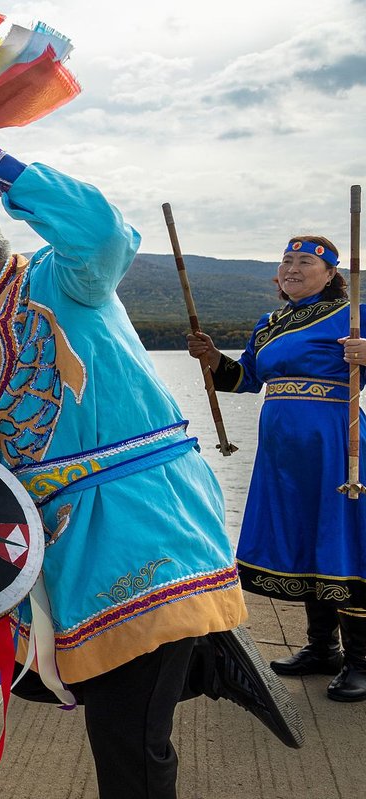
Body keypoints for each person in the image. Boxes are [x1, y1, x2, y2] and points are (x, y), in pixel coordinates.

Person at [0, 135, 302, 798]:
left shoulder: (64, 280)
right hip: (61, 548)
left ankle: (196, 652)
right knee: (78, 685)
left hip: (139, 521)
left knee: (127, 737)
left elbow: (104, 232)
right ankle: (204, 657)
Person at [187, 236, 366, 702]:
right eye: (287, 260)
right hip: (283, 452)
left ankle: (362, 661)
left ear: (330, 274)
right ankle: (321, 648)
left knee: (340, 539)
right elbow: (245, 379)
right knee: (305, 536)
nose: (292, 267)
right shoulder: (269, 323)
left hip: (335, 444)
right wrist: (212, 359)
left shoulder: (352, 316)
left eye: (306, 261)